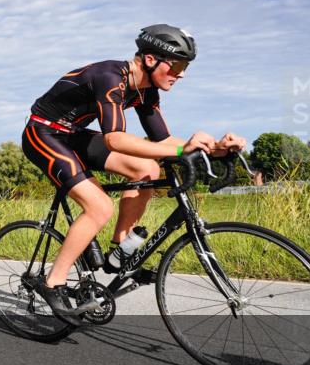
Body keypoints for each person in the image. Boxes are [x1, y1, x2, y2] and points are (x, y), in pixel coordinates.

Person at [22, 24, 247, 324]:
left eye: (186, 67)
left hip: (74, 134)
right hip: (43, 133)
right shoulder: (110, 78)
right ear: (151, 60)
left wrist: (215, 148)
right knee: (100, 206)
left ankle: (120, 252)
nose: (182, 74)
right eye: (177, 65)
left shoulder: (145, 91)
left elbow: (163, 142)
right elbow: (114, 138)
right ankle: (53, 282)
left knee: (147, 167)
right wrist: (182, 152)